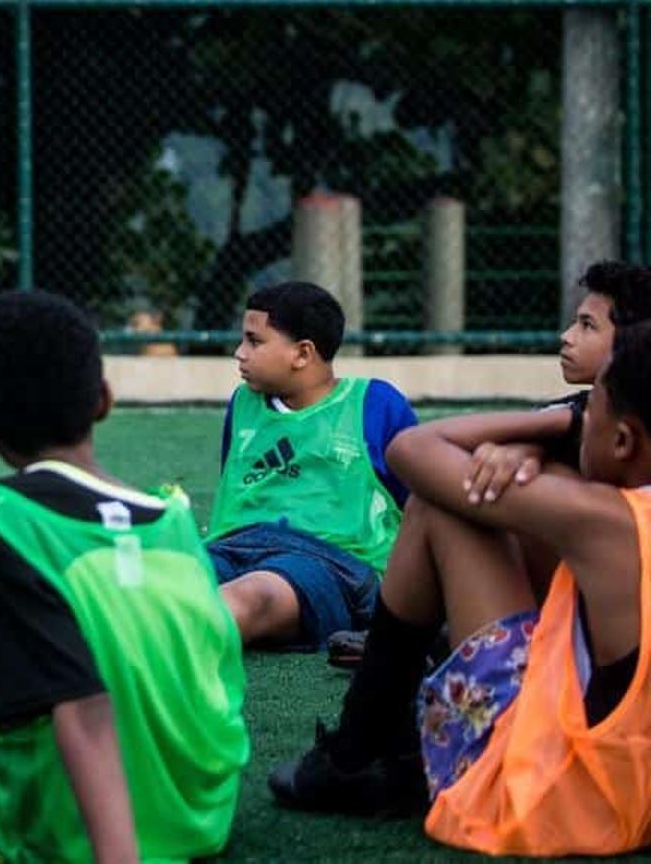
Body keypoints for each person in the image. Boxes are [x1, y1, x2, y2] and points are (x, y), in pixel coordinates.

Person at [0, 291, 247, 863]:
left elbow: (82, 707)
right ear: (104, 401)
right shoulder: (174, 517)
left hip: (72, 832)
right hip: (202, 818)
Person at [270, 259, 651, 816]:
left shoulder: (601, 518)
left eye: (588, 408)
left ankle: (361, 747)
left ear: (621, 438)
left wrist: (550, 426)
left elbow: (413, 450)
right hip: (632, 790)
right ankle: (380, 734)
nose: (577, 413)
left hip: (543, 805)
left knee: (441, 505)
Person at [0, 281, 418, 661]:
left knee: (250, 599)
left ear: (303, 353)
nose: (238, 352)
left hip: (333, 566)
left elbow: (421, 508)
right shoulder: (244, 406)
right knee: (127, 573)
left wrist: (404, 610)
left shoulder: (375, 404)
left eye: (254, 340)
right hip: (235, 545)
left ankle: (61, 644)